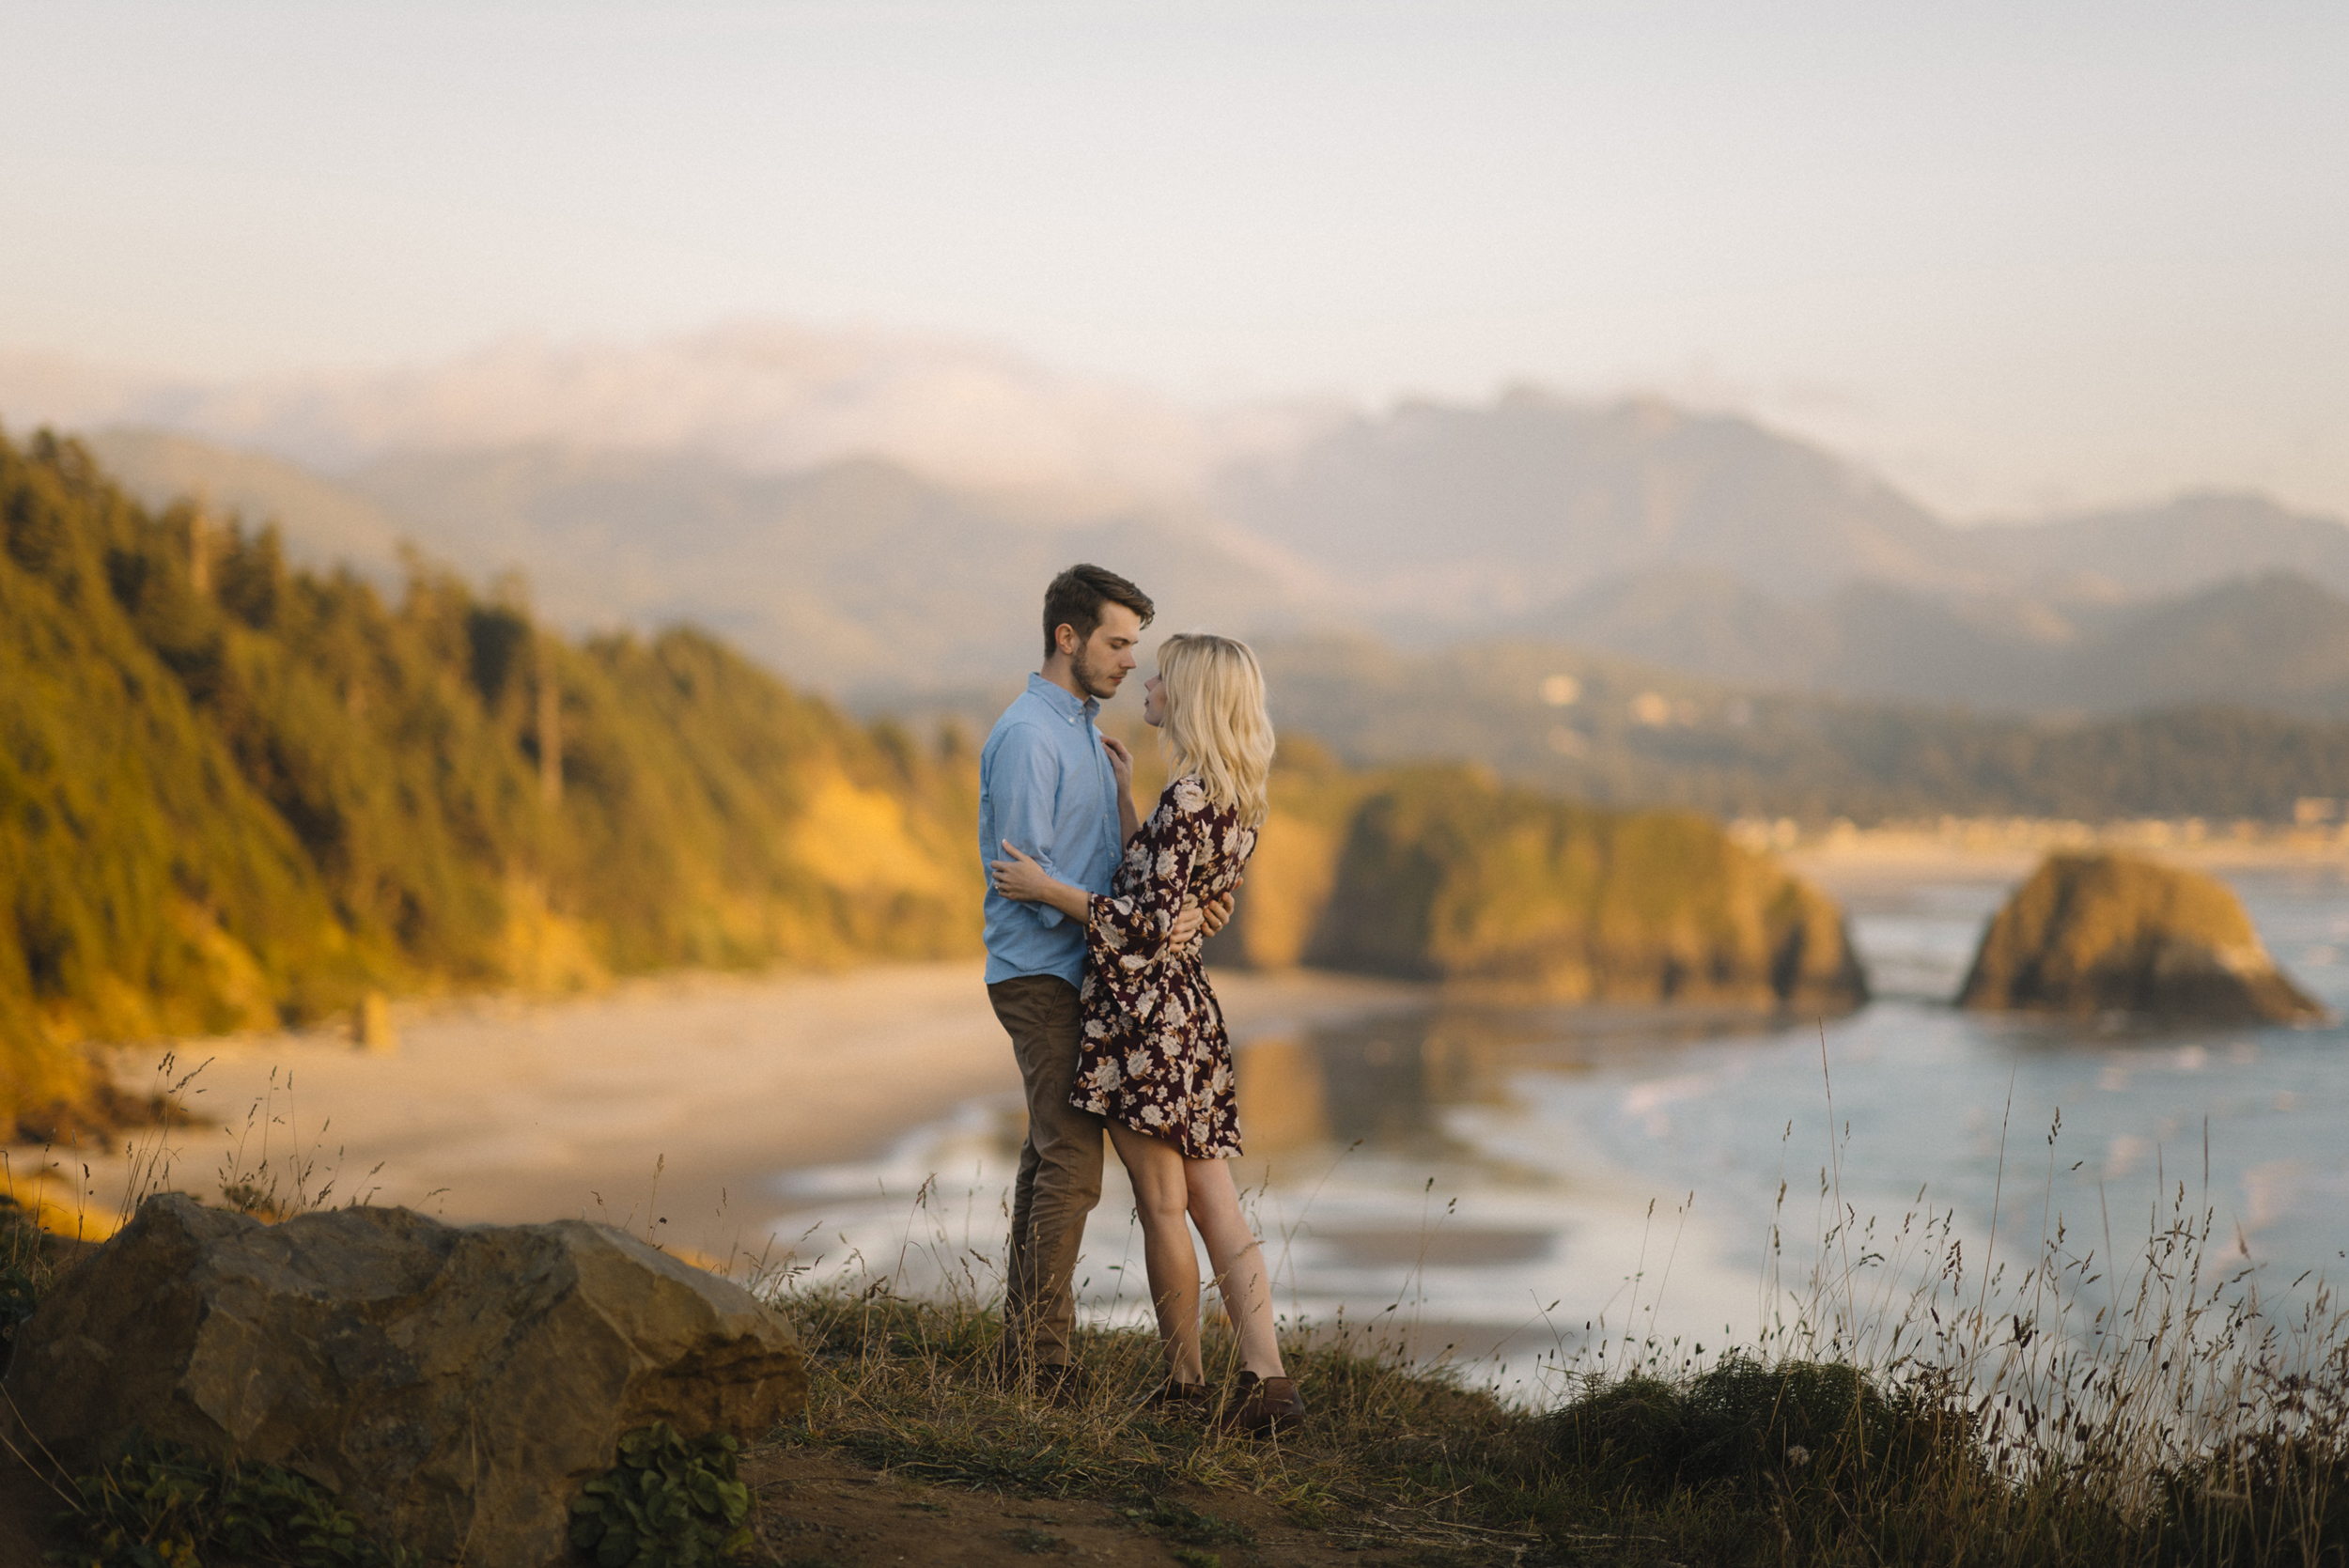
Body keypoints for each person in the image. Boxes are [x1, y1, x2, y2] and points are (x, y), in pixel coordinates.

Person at [990, 632, 1304, 1435]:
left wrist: (1044, 886)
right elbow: (1159, 890)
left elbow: (1137, 924)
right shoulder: (1233, 799)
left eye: (1163, 673)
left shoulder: (1191, 797)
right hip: (1187, 1015)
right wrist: (1132, 799)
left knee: (1165, 1205)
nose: (1148, 681)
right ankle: (1268, 1381)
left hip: (1144, 1019)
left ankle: (1185, 1384)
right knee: (1217, 1206)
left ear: (1192, 696)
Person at [979, 564, 1225, 1404]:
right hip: (1045, 972)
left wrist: (1186, 911)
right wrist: (1138, 924)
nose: (1129, 661)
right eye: (1118, 643)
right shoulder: (1029, 737)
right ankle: (1044, 1370)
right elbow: (1026, 877)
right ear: (1068, 637)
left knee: (1045, 1159)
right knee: (1073, 1170)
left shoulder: (1083, 728)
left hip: (1086, 970)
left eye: (1134, 645)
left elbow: (1121, 870)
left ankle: (1025, 1351)